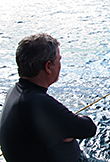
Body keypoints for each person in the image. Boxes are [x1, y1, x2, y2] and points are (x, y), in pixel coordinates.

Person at [0, 33, 97, 162]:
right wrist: (65, 129)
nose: (60, 64)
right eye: (59, 59)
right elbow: (88, 128)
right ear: (48, 67)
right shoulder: (37, 102)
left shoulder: (15, 92)